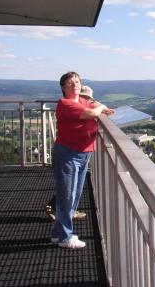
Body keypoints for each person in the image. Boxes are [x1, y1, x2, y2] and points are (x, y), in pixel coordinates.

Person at [51, 72, 114, 249]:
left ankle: (57, 234)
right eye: (70, 83)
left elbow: (93, 106)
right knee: (67, 196)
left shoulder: (82, 102)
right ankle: (65, 237)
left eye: (77, 82)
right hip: (68, 154)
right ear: (63, 88)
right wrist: (101, 107)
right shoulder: (65, 103)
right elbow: (93, 111)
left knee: (74, 195)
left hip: (84, 153)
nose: (75, 85)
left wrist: (101, 108)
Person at [45, 84, 95, 221]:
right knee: (68, 190)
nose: (86, 101)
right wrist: (100, 108)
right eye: (85, 98)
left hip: (80, 151)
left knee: (71, 189)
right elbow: (91, 113)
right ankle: (63, 229)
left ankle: (65, 218)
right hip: (71, 152)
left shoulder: (79, 105)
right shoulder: (69, 105)